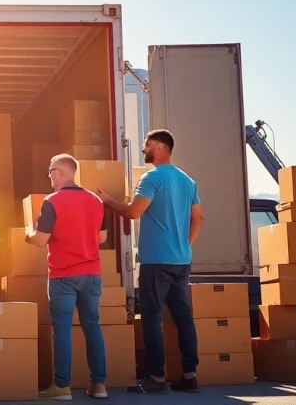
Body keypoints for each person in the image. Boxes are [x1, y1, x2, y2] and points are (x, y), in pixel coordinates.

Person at [97, 129, 205, 394]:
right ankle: (190, 375)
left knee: (152, 318)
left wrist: (108, 201)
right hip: (181, 261)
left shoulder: (152, 178)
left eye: (146, 145)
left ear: (159, 147)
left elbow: (134, 212)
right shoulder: (188, 181)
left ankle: (156, 378)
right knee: (183, 319)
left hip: (156, 261)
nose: (144, 149)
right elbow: (198, 218)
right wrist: (184, 245)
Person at [25, 153, 110, 400]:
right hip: (92, 274)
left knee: (61, 331)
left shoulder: (52, 201)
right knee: (92, 327)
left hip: (63, 275)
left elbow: (41, 240)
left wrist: (28, 234)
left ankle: (61, 386)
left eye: (51, 171)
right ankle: (99, 385)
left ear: (60, 172)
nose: (49, 176)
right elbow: (102, 238)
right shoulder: (95, 200)